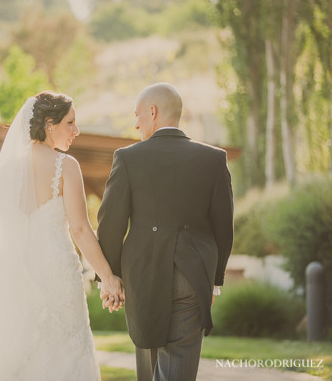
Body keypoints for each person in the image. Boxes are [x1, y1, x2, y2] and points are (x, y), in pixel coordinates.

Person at [0, 91, 125, 380]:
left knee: (17, 352)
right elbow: (80, 229)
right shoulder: (66, 166)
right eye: (70, 123)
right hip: (57, 271)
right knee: (64, 350)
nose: (76, 131)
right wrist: (107, 276)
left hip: (15, 274)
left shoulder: (4, 170)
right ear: (48, 124)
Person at [97, 83, 234, 381]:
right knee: (178, 362)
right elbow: (224, 226)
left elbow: (111, 223)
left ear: (153, 112)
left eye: (137, 115)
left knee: (149, 359)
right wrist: (214, 281)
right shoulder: (213, 159)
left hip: (142, 275)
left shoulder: (127, 158)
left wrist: (110, 277)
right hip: (193, 273)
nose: (135, 124)